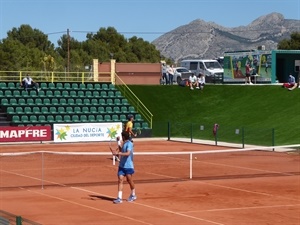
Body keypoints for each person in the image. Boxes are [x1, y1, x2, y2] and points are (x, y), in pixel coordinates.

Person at [112, 131, 136, 204]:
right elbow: (121, 150)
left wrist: (118, 153)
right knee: (120, 180)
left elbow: (128, 153)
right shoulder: (124, 143)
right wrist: (118, 142)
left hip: (128, 166)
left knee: (129, 180)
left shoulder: (129, 144)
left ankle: (133, 194)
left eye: (122, 137)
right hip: (122, 166)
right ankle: (119, 197)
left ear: (124, 137)